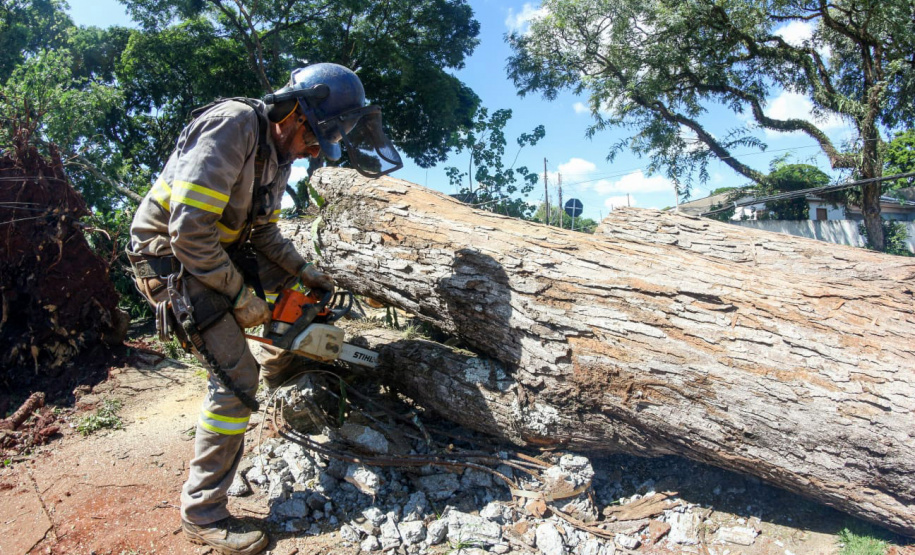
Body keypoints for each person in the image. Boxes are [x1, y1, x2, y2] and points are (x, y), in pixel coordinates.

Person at [127, 63, 402, 554]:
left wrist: (303, 270)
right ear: (294, 112)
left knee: (292, 284)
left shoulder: (279, 155)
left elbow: (263, 233)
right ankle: (203, 512)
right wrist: (238, 296)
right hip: (170, 259)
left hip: (215, 249)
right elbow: (188, 232)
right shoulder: (232, 125)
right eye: (314, 137)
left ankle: (289, 347)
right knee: (237, 379)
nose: (316, 149)